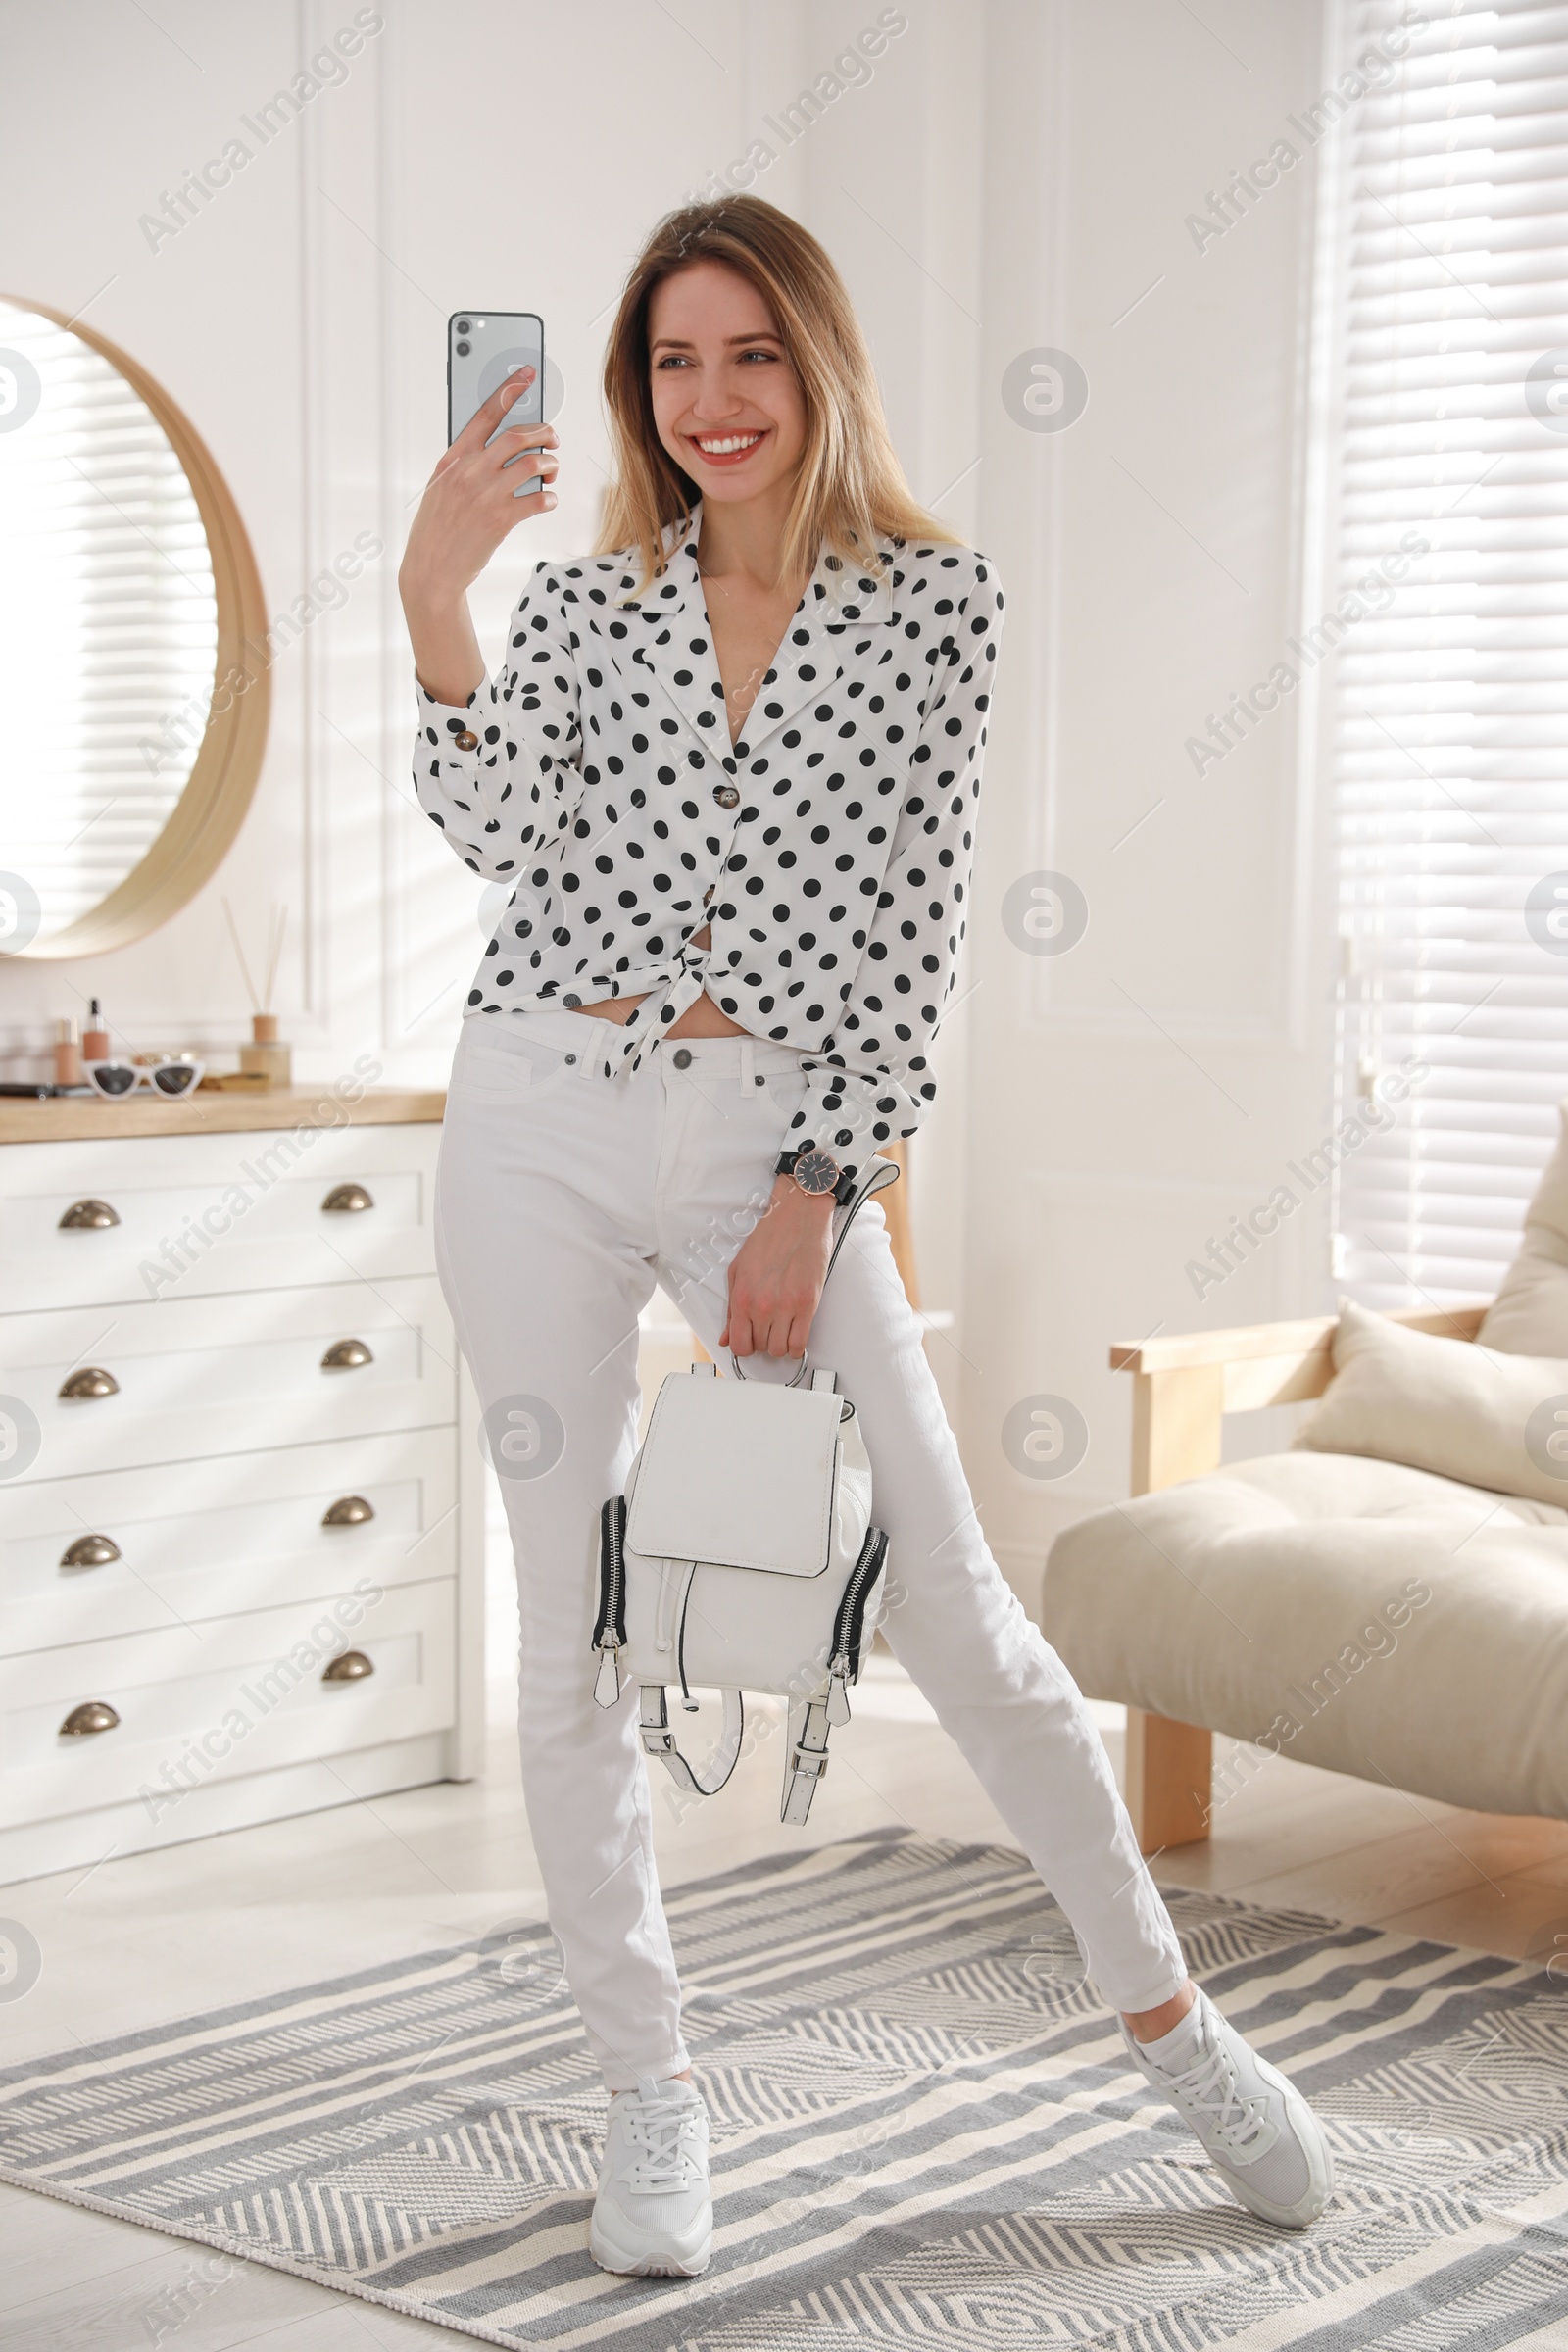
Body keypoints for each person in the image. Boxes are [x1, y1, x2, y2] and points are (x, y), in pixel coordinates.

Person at [399, 193, 1332, 2280]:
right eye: (669, 362)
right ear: (632, 392)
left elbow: (905, 937)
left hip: (767, 1136)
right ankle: (650, 2096)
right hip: (535, 1112)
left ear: (814, 362)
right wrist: (436, 601)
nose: (707, 400)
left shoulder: (932, 605)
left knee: (960, 1620)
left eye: (745, 353)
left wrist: (818, 1187)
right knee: (569, 1641)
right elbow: (491, 842)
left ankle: (1174, 2034)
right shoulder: (576, 603)